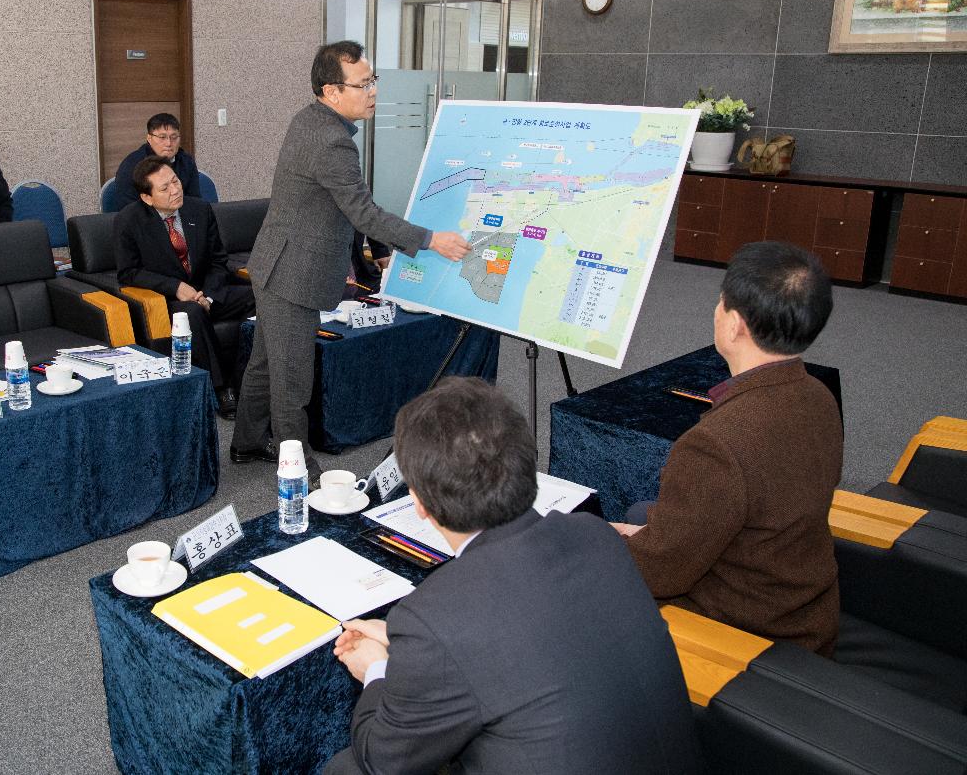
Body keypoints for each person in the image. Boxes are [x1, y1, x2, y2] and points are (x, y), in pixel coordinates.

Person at [326, 377, 700, 775]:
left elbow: (384, 761)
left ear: (418, 502)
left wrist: (378, 670)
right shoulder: (594, 534)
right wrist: (413, 644)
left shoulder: (432, 616)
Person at [230, 40, 472, 482]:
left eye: (373, 80)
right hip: (291, 275)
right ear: (332, 91)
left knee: (267, 362)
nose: (373, 91)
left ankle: (247, 443)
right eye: (363, 84)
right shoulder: (331, 142)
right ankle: (298, 473)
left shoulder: (311, 119)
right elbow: (363, 212)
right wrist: (430, 239)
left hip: (278, 261)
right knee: (292, 381)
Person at [612, 241, 842, 654]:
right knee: (638, 514)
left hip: (749, 629)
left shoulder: (716, 446)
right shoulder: (818, 395)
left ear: (735, 324)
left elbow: (661, 572)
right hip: (804, 605)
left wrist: (601, 541)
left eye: (720, 303)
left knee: (573, 566)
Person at [112, 155, 255, 418]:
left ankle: (254, 377)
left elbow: (217, 261)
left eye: (175, 181)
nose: (175, 190)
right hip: (166, 300)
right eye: (164, 188)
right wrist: (176, 287)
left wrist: (209, 296)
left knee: (261, 296)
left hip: (206, 293)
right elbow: (129, 273)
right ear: (147, 197)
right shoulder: (129, 221)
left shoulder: (199, 209)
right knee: (191, 313)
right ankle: (221, 388)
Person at [112, 113, 201, 210]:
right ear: (149, 138)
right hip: (145, 221)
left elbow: (195, 201)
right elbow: (129, 211)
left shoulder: (186, 161)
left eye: (174, 137)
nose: (169, 143)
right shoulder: (132, 166)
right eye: (162, 137)